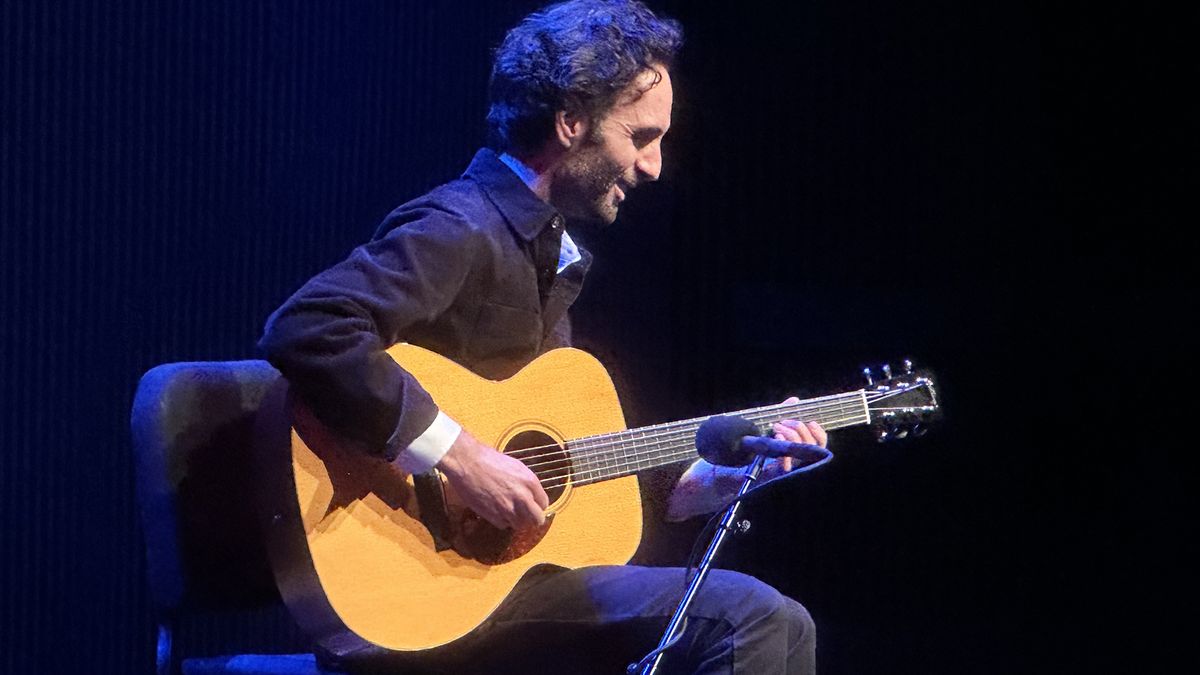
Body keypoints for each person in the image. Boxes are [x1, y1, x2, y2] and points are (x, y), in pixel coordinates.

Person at [259, 1, 826, 673]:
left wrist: (719, 476)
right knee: (751, 615)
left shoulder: (544, 248)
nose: (654, 167)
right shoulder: (461, 225)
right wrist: (462, 457)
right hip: (423, 590)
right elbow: (310, 327)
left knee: (788, 624)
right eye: (640, 136)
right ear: (570, 123)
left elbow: (561, 475)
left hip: (498, 579)